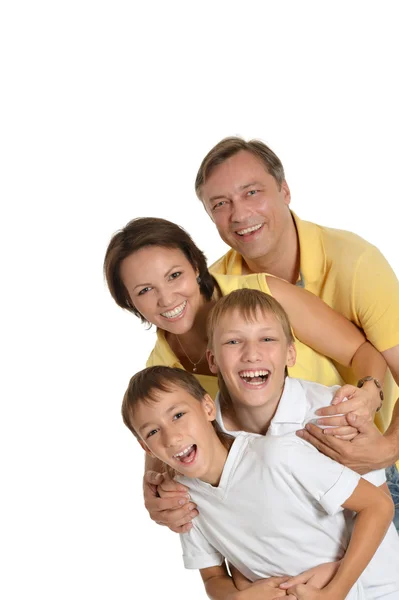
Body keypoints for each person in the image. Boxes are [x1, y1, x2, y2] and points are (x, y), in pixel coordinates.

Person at [103, 217, 391, 533]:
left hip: (365, 468)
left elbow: (360, 353)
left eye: (174, 276)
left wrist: (370, 394)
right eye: (145, 290)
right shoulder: (161, 372)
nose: (167, 298)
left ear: (195, 267)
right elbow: (164, 439)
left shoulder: (263, 295)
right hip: (295, 513)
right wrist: (155, 490)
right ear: (129, 302)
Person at [194, 136, 399, 524]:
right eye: (220, 204)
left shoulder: (354, 262)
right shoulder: (216, 291)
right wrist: (155, 478)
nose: (239, 214)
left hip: (379, 470)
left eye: (252, 192)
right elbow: (177, 401)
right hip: (290, 496)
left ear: (285, 191)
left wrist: (388, 447)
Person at [121, 348, 398, 600]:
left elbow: (378, 505)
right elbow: (213, 578)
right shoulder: (182, 501)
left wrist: (336, 590)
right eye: (153, 432)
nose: (171, 437)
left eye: (178, 415)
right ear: (145, 447)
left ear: (207, 408)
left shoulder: (278, 455)